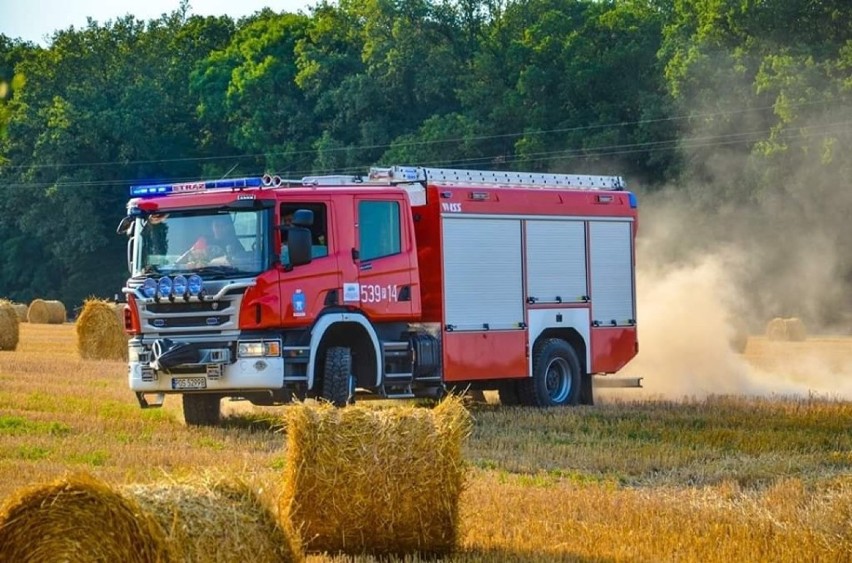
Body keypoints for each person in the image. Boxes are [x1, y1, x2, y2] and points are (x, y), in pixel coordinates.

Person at [179, 215, 245, 266]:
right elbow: (188, 256)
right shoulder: (203, 241)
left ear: (227, 228)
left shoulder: (233, 241)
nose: (220, 229)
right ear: (212, 227)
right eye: (217, 226)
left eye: (223, 226)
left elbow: (241, 259)